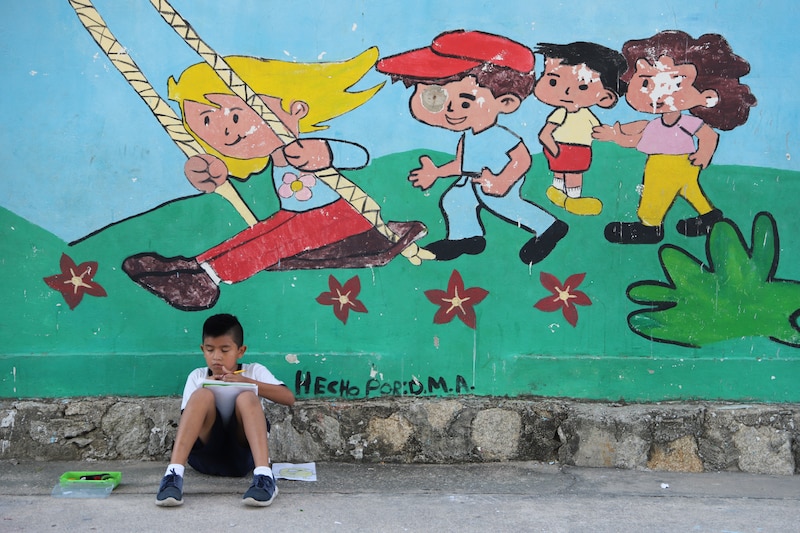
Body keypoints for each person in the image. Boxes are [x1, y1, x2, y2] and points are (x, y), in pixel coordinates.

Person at [122, 48, 426, 311]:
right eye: (206, 123)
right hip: (300, 216)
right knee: (256, 234)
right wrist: (208, 172)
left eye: (236, 116)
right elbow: (234, 172)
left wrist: (326, 152)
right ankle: (190, 267)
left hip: (342, 218)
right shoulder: (273, 155)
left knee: (272, 242)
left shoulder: (310, 147)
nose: (226, 132)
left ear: (296, 108)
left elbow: (359, 156)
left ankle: (208, 278)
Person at [376, 30, 568, 265]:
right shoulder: (469, 137)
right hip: (473, 179)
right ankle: (465, 238)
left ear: (506, 103)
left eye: (465, 101)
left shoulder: (499, 136)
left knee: (506, 205)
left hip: (497, 180)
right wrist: (436, 172)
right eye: (435, 96)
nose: (452, 110)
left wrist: (503, 181)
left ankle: (549, 227)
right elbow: (460, 164)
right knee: (455, 200)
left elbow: (523, 160)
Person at [593, 30, 756, 244]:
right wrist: (617, 133)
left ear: (706, 95)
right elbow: (638, 131)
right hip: (679, 165)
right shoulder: (656, 124)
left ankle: (650, 227)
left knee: (654, 195)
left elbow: (707, 136)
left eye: (673, 85)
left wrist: (704, 153)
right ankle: (709, 217)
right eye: (646, 83)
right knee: (691, 191)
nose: (657, 95)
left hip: (668, 165)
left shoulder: (685, 122)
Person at [155, 313, 295, 507]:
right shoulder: (197, 376)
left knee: (247, 396)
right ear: (202, 349)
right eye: (210, 350)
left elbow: (288, 398)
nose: (217, 357)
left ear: (240, 351)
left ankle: (264, 477)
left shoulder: (253, 371)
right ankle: (173, 475)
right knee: (202, 395)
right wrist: (205, 386)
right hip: (205, 457)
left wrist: (247, 382)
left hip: (242, 459)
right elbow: (188, 420)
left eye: (225, 350)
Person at [533, 42, 627, 216]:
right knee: (563, 173)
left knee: (574, 174)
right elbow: (545, 134)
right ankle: (561, 195)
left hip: (580, 149)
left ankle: (571, 198)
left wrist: (612, 134)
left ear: (605, 97)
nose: (567, 92)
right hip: (560, 147)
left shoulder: (586, 114)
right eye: (553, 81)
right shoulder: (561, 113)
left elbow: (597, 129)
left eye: (583, 87)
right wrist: (554, 149)